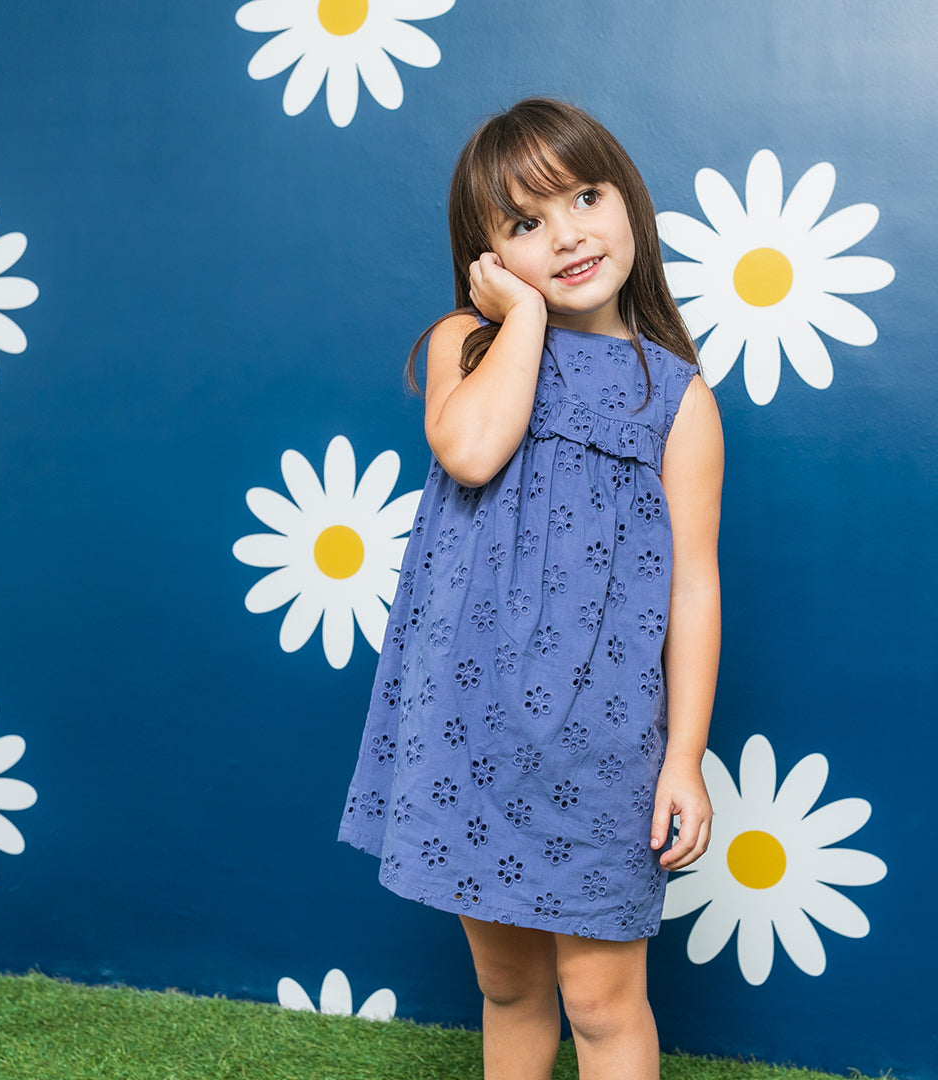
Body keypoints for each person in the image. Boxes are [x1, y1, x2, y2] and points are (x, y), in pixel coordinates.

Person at [338, 97, 723, 1080]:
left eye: (585, 197)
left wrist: (683, 758)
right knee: (508, 985)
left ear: (627, 199)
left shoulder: (673, 397)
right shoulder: (463, 345)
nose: (568, 234)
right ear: (487, 256)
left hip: (603, 741)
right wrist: (527, 317)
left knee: (601, 998)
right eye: (524, 222)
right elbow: (470, 450)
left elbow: (693, 586)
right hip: (473, 726)